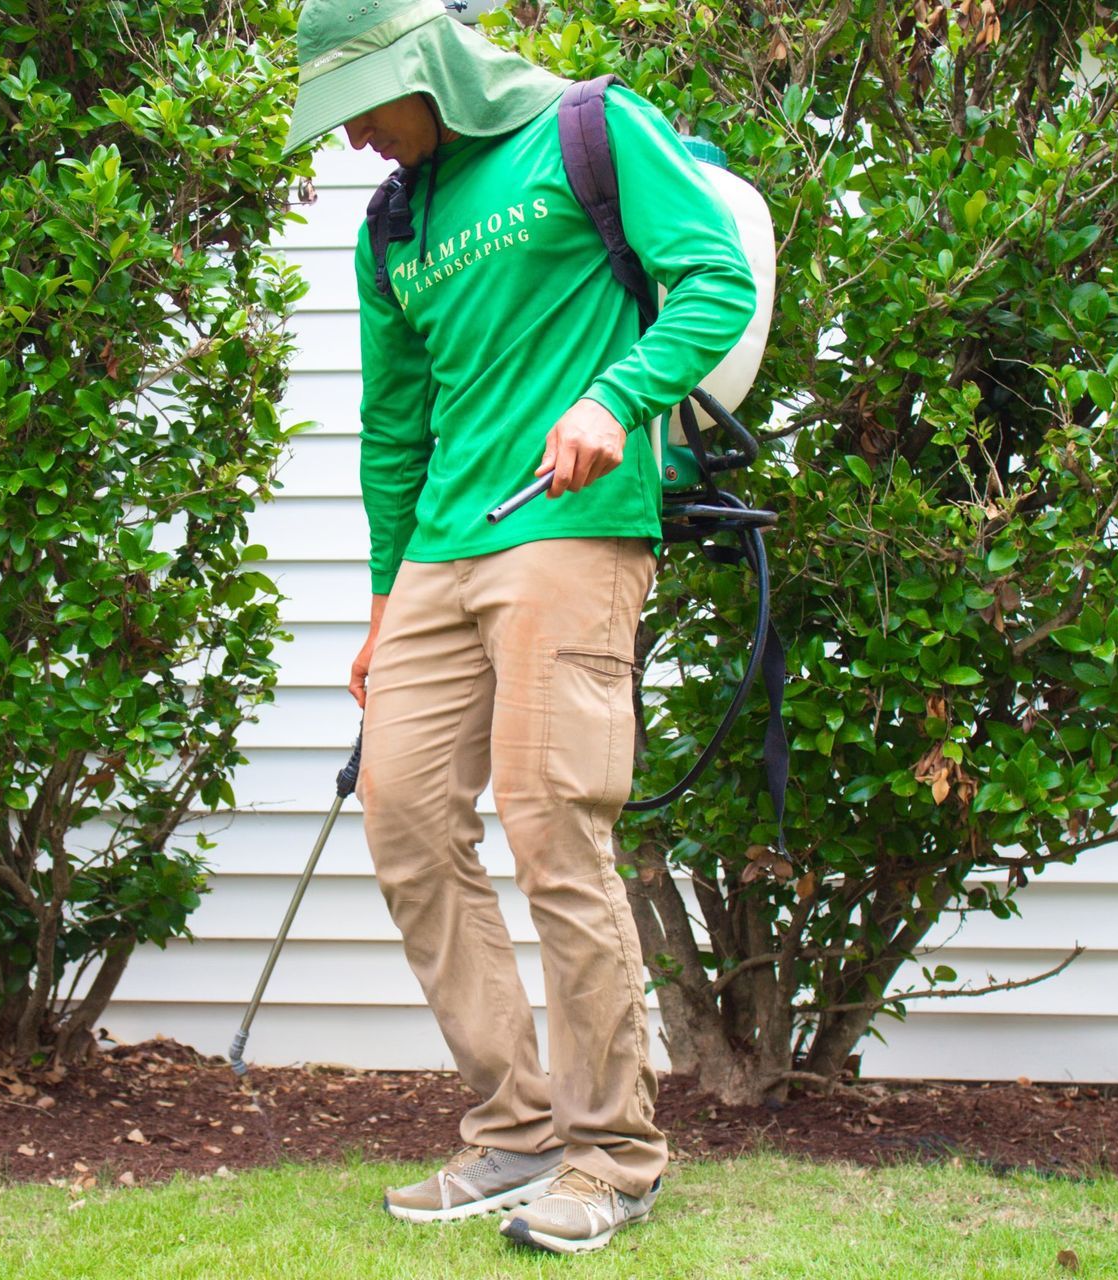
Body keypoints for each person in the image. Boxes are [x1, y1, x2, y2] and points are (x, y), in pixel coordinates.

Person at [282, 0, 757, 1256]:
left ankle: (615, 1152)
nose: (353, 145)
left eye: (361, 112)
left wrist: (620, 396)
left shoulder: (589, 130)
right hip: (443, 542)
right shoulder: (394, 221)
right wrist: (385, 606)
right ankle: (516, 1125)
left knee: (554, 826)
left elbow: (716, 279)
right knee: (402, 813)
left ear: (421, 72)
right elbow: (394, 427)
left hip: (572, 524)